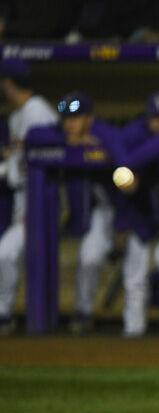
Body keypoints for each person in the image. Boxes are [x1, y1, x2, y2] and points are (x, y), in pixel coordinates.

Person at [26, 91, 124, 334]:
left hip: (110, 209)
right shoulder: (61, 134)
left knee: (93, 258)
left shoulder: (103, 132)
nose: (71, 122)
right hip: (78, 210)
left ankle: (87, 311)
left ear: (89, 118)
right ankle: (73, 313)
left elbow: (119, 146)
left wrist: (98, 144)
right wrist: (65, 143)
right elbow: (33, 135)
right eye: (67, 117)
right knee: (78, 257)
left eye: (77, 117)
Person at [114, 92, 159, 337]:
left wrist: (129, 164)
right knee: (134, 273)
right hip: (142, 213)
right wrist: (122, 223)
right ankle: (133, 330)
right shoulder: (133, 135)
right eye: (155, 118)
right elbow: (117, 147)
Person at [0, 60, 57, 336]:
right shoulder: (16, 117)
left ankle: (4, 314)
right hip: (20, 197)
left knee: (5, 253)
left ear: (9, 84)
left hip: (39, 198)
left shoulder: (39, 111)